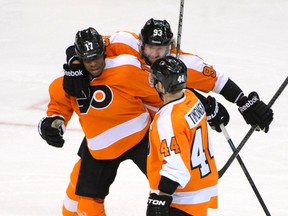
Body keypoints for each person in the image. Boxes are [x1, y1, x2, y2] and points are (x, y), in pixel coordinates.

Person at [64, 18, 273, 134]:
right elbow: (87, 44)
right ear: (141, 43)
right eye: (150, 48)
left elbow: (219, 80)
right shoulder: (124, 42)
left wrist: (243, 102)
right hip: (124, 116)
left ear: (170, 47)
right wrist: (74, 62)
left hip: (159, 124)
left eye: (161, 49)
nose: (155, 55)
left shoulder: (182, 62)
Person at [38, 27, 164, 216]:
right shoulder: (66, 82)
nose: (94, 63)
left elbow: (161, 94)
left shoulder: (126, 68)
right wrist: (52, 124)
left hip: (140, 135)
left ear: (104, 51)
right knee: (85, 202)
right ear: (80, 58)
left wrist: (187, 110)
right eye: (87, 59)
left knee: (167, 184)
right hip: (100, 146)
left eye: (97, 56)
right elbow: (57, 110)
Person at [146, 56, 218, 216]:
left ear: (161, 86)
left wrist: (161, 198)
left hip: (181, 200)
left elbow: (176, 168)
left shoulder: (168, 120)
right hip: (200, 188)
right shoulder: (192, 99)